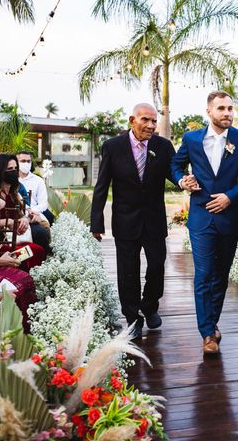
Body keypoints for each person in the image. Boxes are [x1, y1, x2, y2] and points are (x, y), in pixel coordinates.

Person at [171, 91, 238, 355]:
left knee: (221, 275)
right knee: (204, 274)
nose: (227, 113)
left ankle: (212, 321)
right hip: (201, 216)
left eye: (230, 108)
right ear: (209, 112)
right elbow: (175, 165)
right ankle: (207, 333)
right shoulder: (192, 139)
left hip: (229, 218)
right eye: (221, 109)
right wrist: (183, 180)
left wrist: (230, 197)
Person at [91, 103, 176, 339]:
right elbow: (101, 186)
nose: (150, 125)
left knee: (157, 265)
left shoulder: (163, 146)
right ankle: (132, 317)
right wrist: (96, 222)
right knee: (127, 272)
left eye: (153, 121)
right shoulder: (112, 147)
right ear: (132, 120)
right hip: (125, 220)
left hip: (154, 219)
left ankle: (149, 306)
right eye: (145, 120)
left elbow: (176, 173)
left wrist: (188, 181)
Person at [0, 162, 37, 332]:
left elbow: (0, 205)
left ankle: (26, 331)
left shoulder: (10, 193)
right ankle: (12, 335)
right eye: (9, 169)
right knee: (17, 284)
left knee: (30, 258)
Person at [0, 154, 46, 270]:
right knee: (34, 250)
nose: (13, 172)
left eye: (15, 169)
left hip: (15, 238)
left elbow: (26, 213)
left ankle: (31, 275)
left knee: (37, 248)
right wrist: (8, 222)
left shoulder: (14, 192)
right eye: (9, 169)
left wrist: (26, 219)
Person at [17, 151, 54, 225]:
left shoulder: (38, 180)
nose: (26, 163)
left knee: (41, 232)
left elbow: (43, 203)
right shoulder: (12, 180)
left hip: (35, 214)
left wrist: (31, 211)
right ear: (16, 162)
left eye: (28, 161)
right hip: (16, 215)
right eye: (23, 161)